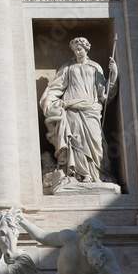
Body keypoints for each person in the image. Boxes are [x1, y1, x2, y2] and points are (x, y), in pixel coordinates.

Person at [40, 37, 117, 183]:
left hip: (91, 108)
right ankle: (81, 174)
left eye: (79, 49)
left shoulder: (95, 67)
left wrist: (113, 74)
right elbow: (57, 87)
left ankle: (96, 172)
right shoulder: (68, 68)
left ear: (86, 48)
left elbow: (104, 93)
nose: (77, 52)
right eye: (75, 50)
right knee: (76, 141)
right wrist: (49, 102)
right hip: (72, 108)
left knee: (96, 140)